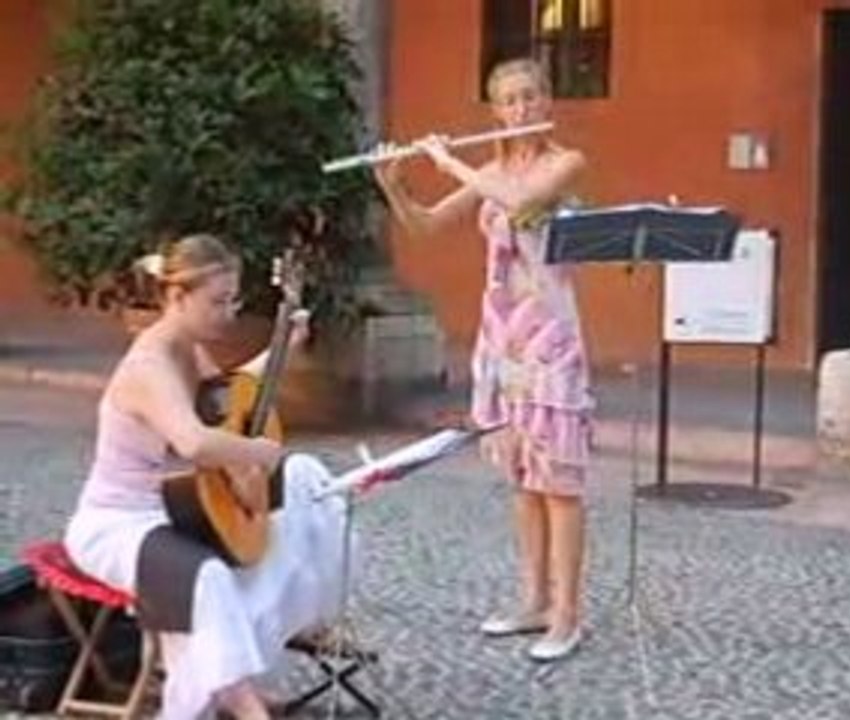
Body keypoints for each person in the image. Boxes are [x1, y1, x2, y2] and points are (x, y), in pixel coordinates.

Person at [64, 233, 354, 719]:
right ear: (177, 297)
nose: (229, 313)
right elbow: (195, 441)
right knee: (209, 579)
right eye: (217, 301)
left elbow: (229, 398)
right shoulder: (149, 365)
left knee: (302, 492)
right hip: (117, 523)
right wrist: (258, 453)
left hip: (175, 508)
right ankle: (244, 708)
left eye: (233, 300)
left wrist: (282, 348)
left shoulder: (189, 349)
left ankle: (236, 684)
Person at [374, 57, 592, 662]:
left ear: (548, 102)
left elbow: (521, 198)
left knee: (561, 483)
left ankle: (568, 615)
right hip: (503, 340)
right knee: (523, 478)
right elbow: (424, 226)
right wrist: (394, 183)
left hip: (551, 338)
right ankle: (533, 601)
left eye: (531, 97)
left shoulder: (564, 164)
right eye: (510, 101)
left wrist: (447, 161)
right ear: (495, 111)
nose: (521, 109)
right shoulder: (490, 169)